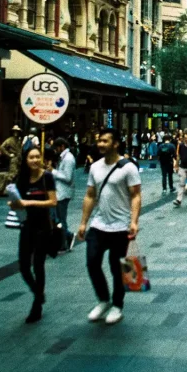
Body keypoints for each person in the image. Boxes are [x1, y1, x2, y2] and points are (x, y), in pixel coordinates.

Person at [77, 128, 141, 326]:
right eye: (99, 141)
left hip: (120, 227)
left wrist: (134, 221)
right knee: (92, 262)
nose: (100, 144)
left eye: (105, 141)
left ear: (115, 144)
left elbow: (136, 195)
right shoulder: (95, 167)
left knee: (117, 268)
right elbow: (90, 195)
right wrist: (83, 222)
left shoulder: (128, 167)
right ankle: (103, 300)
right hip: (98, 225)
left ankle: (117, 305)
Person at [7, 147, 57, 323]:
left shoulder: (47, 177)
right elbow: (17, 200)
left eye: (37, 157)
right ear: (26, 160)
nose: (35, 160)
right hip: (27, 225)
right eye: (31, 157)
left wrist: (28, 202)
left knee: (38, 264)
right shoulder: (22, 178)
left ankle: (37, 305)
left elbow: (53, 201)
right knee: (23, 265)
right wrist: (14, 203)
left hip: (43, 226)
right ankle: (38, 291)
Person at [51, 136, 76, 250]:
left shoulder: (68, 159)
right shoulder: (64, 157)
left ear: (62, 146)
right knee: (58, 218)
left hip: (63, 192)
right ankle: (66, 238)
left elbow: (67, 177)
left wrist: (53, 172)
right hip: (60, 192)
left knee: (61, 219)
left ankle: (65, 241)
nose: (55, 151)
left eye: (56, 148)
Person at [0, 125, 22, 198]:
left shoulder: (18, 140)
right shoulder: (9, 140)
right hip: (14, 158)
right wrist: (9, 155)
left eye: (17, 131)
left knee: (17, 173)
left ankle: (10, 189)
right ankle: (3, 189)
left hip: (19, 158)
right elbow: (2, 147)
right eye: (14, 131)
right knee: (12, 174)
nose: (16, 133)